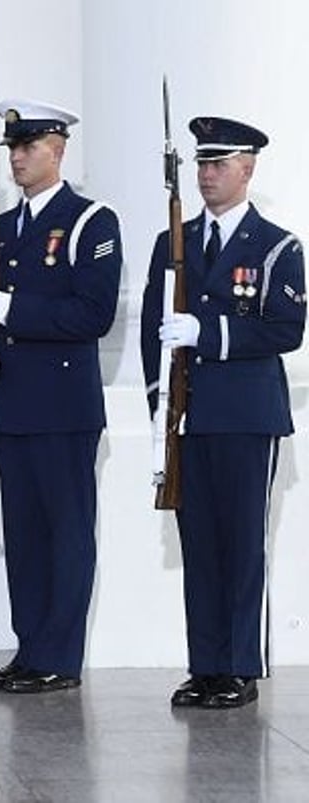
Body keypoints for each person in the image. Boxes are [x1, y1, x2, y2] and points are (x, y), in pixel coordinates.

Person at [141, 117, 305, 709]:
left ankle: (240, 665)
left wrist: (208, 333)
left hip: (246, 416)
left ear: (248, 168)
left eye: (220, 164)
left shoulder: (278, 245)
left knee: (242, 544)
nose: (208, 175)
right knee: (200, 545)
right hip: (190, 416)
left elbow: (286, 330)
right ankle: (205, 664)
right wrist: (160, 405)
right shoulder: (173, 242)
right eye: (201, 164)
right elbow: (150, 332)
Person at [0, 100, 122, 694]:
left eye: (28, 146)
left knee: (66, 531)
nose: (17, 157)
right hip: (13, 401)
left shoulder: (90, 221)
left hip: (63, 405)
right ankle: (30, 647)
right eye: (12, 147)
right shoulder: (1, 229)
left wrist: (10, 309)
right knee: (25, 536)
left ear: (57, 149)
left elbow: (92, 314)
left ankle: (60, 655)